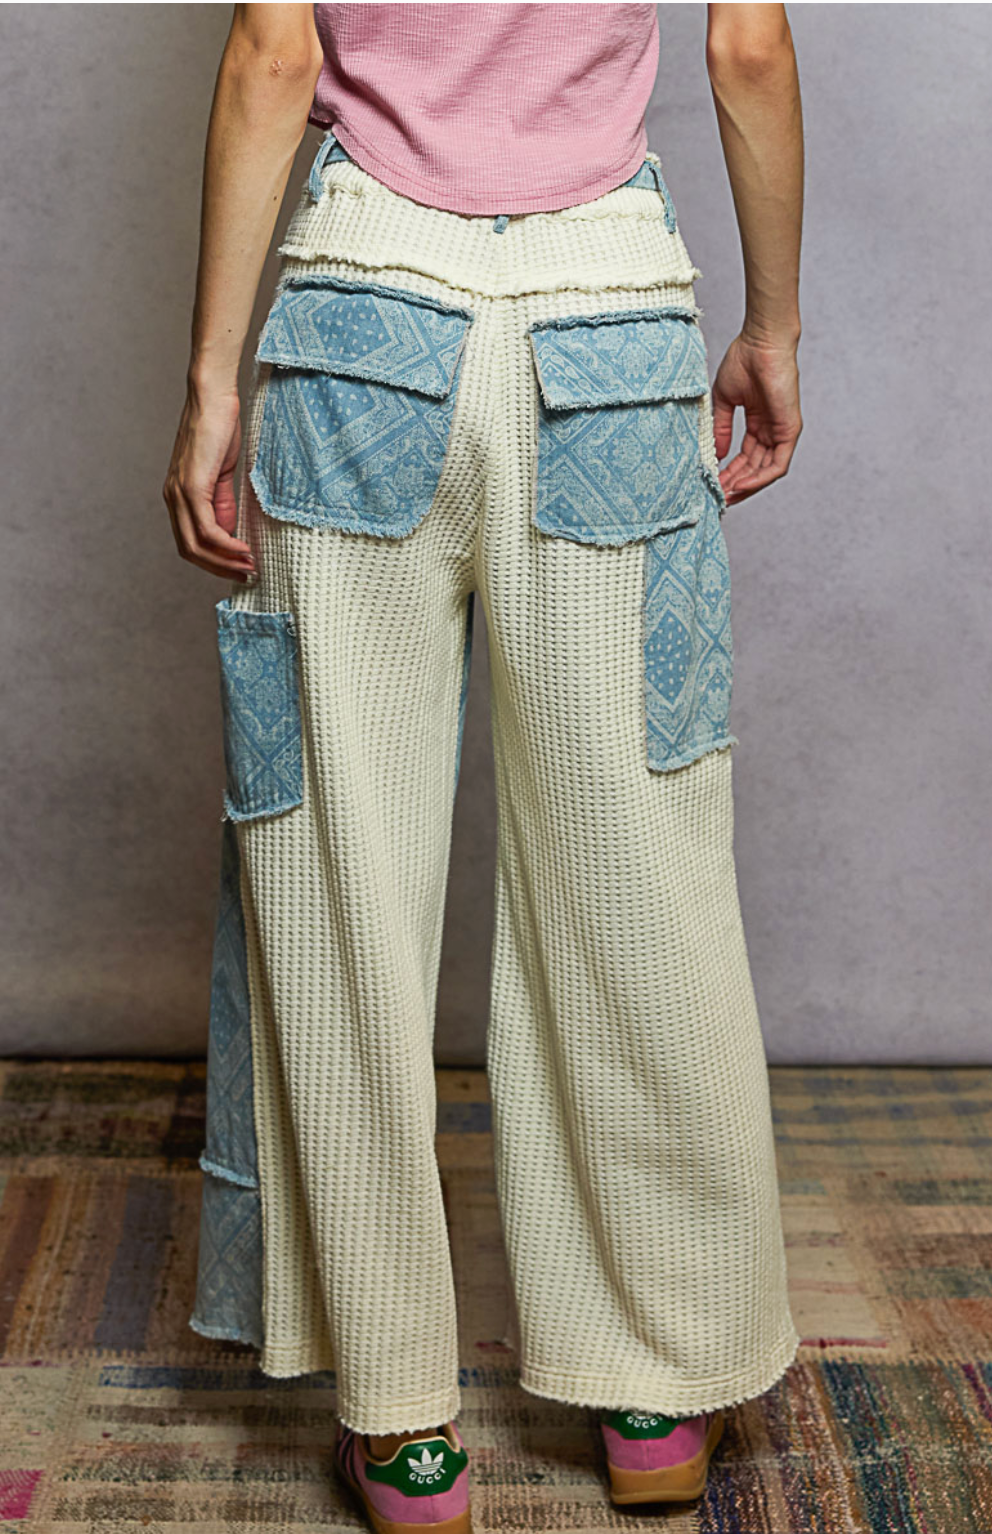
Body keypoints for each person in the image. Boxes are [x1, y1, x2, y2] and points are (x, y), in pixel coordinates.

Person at [164, 4, 804, 1527]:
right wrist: (774, 329)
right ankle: (654, 1387)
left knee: (339, 875)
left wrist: (210, 380)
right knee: (634, 871)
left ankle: (402, 1424)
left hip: (360, 323)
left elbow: (273, 54)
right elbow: (749, 49)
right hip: (610, 323)